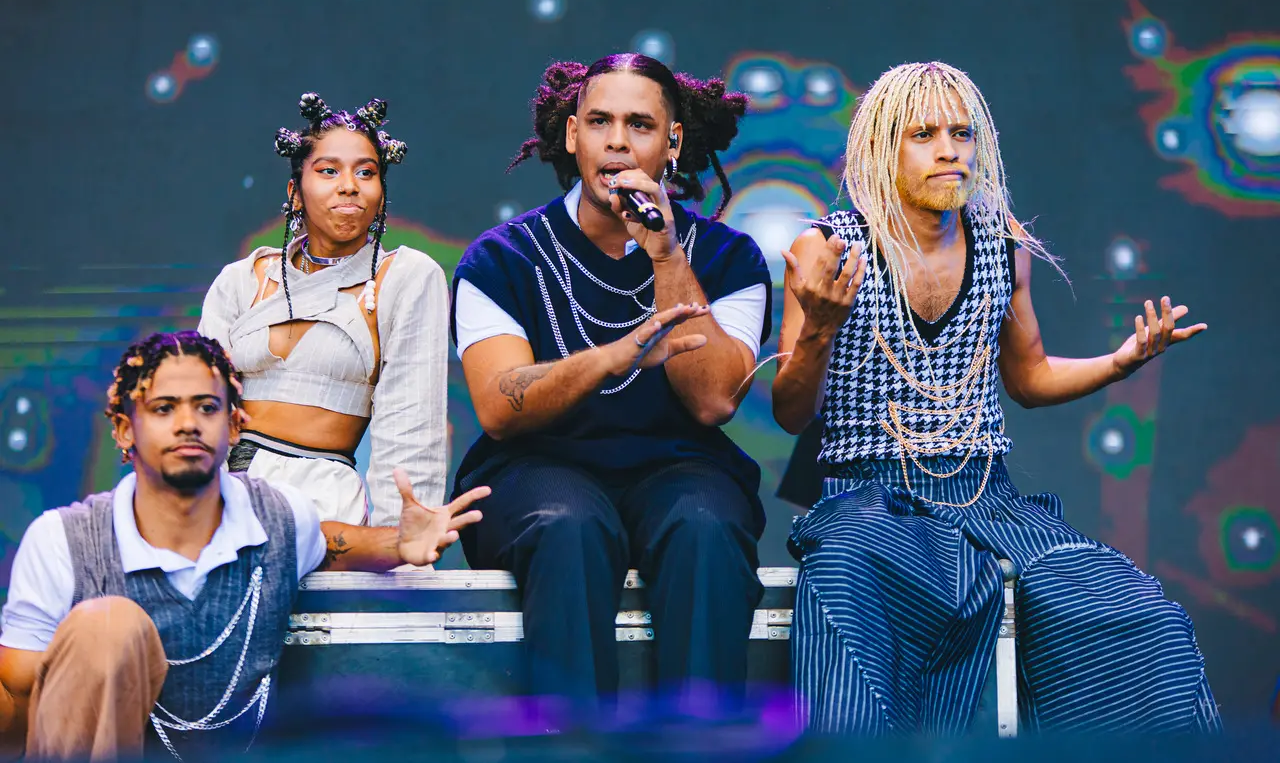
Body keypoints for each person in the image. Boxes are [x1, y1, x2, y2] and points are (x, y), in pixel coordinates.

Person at [772, 62, 1220, 734]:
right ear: (883, 148)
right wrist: (818, 329)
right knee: (847, 588)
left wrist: (1120, 362)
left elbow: (1029, 378)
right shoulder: (829, 248)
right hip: (869, 495)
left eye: (962, 133)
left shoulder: (1000, 243)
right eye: (924, 134)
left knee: (1134, 610)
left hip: (988, 497)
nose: (949, 150)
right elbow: (790, 412)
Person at [450, 53, 771, 712]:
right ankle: (575, 749)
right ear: (573, 135)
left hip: (680, 464)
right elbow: (500, 407)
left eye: (639, 125)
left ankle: (700, 745)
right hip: (538, 464)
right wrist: (610, 358)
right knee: (568, 525)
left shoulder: (729, 258)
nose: (617, 141)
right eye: (599, 122)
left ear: (672, 142)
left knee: (706, 527)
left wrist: (665, 253)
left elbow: (713, 400)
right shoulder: (501, 258)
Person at [0, 331, 488, 760]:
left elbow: (333, 543)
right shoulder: (63, 540)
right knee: (106, 627)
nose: (188, 423)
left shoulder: (279, 519)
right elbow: (23, 714)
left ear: (235, 426)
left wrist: (399, 542)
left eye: (207, 407)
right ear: (125, 429)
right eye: (164, 408)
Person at [199, 92, 449, 526]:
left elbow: (412, 429)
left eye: (366, 172)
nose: (349, 185)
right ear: (295, 193)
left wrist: (401, 539)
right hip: (222, 498)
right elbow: (199, 402)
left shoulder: (405, 278)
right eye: (329, 170)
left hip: (323, 505)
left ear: (381, 195)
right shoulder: (241, 280)